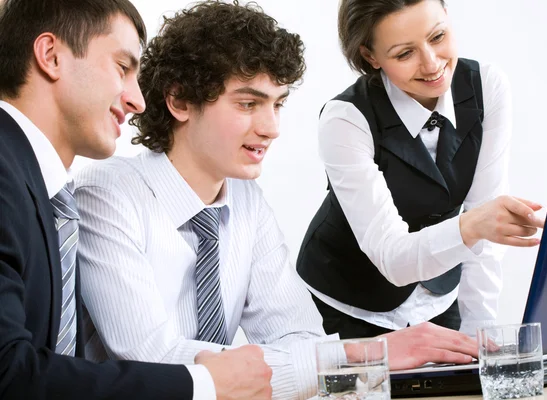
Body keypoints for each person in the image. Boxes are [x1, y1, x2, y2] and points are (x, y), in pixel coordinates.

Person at [74, 1, 479, 399]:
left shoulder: (245, 200)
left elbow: (299, 333)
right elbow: (156, 361)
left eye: (278, 104)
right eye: (248, 104)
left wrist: (325, 360)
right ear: (179, 101)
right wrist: (367, 352)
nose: (271, 128)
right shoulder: (108, 197)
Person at [0, 1, 273, 399]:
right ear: (51, 56)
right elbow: (8, 373)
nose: (138, 101)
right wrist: (205, 384)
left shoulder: (42, 192)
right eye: (122, 67)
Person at [297, 0, 545, 339]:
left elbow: (485, 236)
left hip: (439, 296)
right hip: (348, 300)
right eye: (403, 54)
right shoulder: (345, 119)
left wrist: (482, 339)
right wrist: (473, 225)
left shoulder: (487, 87)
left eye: (438, 36)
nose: (432, 64)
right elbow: (393, 258)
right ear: (371, 56)